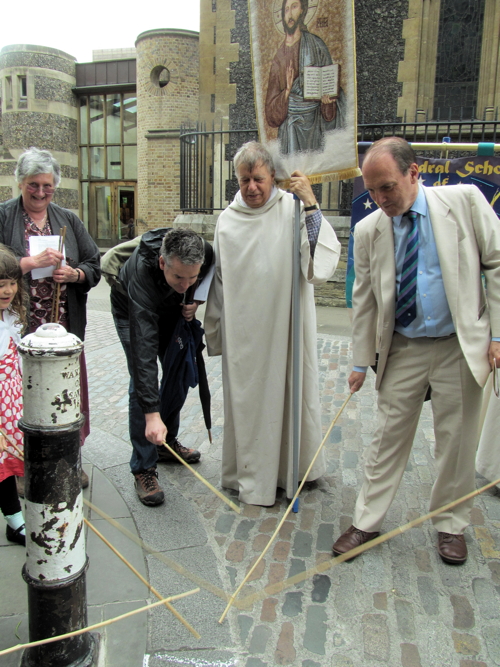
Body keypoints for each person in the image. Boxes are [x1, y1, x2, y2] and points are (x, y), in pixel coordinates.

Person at [332, 137, 500, 565]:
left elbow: (497, 262)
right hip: (402, 347)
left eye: (386, 187)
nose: (379, 199)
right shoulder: (369, 229)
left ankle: (451, 525)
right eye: (371, 190)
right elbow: (365, 298)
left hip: (457, 347)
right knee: (385, 437)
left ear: (413, 172)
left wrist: (498, 336)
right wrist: (358, 359)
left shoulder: (464, 201)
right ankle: (366, 520)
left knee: (456, 441)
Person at [204, 141, 341, 506]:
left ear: (272, 177)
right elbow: (218, 282)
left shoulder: (291, 210)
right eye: (245, 179)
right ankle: (250, 476)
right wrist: (214, 332)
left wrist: (311, 204)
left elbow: (319, 265)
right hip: (244, 334)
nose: (251, 187)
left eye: (259, 179)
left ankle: (291, 470)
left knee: (291, 394)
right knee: (249, 406)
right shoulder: (227, 221)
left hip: (286, 324)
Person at [0, 147, 101, 489]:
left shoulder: (67, 220)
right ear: (21, 183)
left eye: (47, 186)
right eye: (33, 185)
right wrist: (27, 264)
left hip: (62, 329)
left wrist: (74, 275)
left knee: (66, 395)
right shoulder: (4, 217)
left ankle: (68, 460)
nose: (41, 193)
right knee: (22, 399)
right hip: (19, 330)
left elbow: (94, 265)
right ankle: (22, 465)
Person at [110, 228, 214, 507]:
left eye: (192, 277)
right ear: (162, 263)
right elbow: (143, 353)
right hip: (132, 309)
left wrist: (195, 300)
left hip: (172, 311)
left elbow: (208, 273)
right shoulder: (141, 274)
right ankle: (144, 467)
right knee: (142, 383)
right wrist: (152, 414)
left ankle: (165, 444)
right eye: (179, 276)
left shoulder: (205, 251)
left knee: (178, 372)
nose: (186, 283)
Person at [265, 0, 345, 154]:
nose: (289, 14)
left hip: (313, 126)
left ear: (302, 10)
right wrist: (286, 92)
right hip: (289, 130)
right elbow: (270, 113)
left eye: (294, 7)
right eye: (286, 9)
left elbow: (329, 90)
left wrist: (327, 102)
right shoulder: (279, 57)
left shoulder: (317, 45)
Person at [0, 244, 27, 546]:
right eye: (0, 285)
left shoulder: (11, 316)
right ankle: (14, 519)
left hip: (12, 402)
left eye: (11, 282)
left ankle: (13, 519)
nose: (8, 290)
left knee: (6, 464)